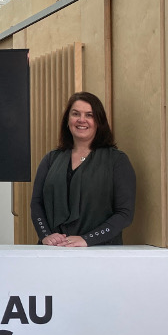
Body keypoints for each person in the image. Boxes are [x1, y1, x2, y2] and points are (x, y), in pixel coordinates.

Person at [30, 91, 135, 247]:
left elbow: (124, 214)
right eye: (76, 114)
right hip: (53, 252)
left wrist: (87, 239)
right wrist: (46, 236)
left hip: (100, 253)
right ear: (68, 120)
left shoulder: (117, 161)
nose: (81, 120)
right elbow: (37, 204)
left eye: (89, 115)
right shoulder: (51, 159)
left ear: (99, 121)